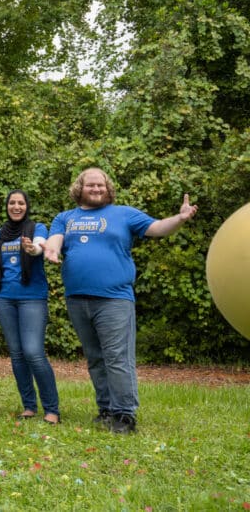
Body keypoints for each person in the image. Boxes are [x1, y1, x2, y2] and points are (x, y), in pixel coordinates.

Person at [44, 168, 197, 435]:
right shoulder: (65, 218)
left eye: (100, 185)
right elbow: (55, 241)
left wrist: (180, 218)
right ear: (80, 188)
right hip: (77, 300)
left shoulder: (124, 214)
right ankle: (106, 410)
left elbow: (158, 228)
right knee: (95, 358)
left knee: (117, 358)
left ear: (108, 188)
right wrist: (52, 250)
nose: (96, 189)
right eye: (90, 185)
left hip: (114, 299)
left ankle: (124, 415)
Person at [0, 190, 59, 424]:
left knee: (33, 353)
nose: (16, 206)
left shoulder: (37, 228)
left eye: (20, 203)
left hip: (32, 298)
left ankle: (51, 408)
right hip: (4, 298)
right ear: (7, 206)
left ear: (26, 206)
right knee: (17, 355)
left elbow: (39, 246)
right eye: (12, 203)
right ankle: (29, 406)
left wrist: (32, 249)